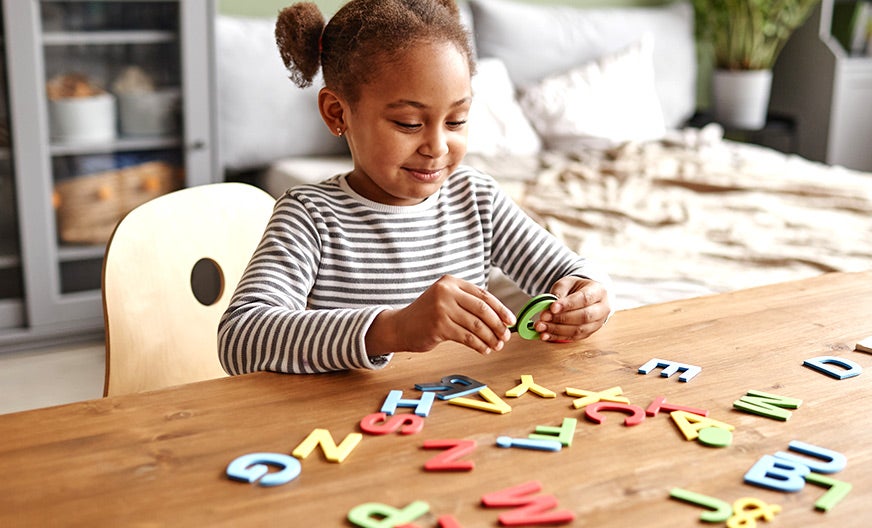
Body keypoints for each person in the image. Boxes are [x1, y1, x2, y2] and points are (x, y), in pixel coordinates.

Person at [218, 0, 612, 375]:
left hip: (456, 420)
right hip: (345, 432)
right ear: (338, 113)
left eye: (456, 120)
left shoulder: (475, 198)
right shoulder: (309, 217)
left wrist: (586, 296)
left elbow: (567, 271)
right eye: (409, 123)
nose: (437, 147)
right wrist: (393, 329)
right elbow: (240, 339)